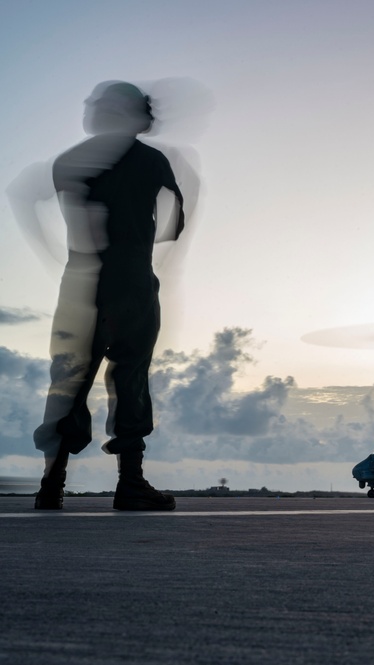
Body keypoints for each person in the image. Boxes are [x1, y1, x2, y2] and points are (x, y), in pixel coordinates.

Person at [9, 81, 195, 510]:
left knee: (69, 379)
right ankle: (130, 482)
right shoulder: (151, 160)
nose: (89, 107)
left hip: (80, 280)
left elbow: (23, 193)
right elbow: (175, 219)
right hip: (129, 278)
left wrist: (54, 250)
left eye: (96, 103)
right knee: (129, 377)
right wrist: (151, 242)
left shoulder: (71, 160)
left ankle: (50, 485)